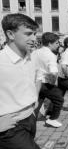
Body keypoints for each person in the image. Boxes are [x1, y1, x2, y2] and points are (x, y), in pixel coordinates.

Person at [0, 13, 40, 148]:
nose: (34, 38)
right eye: (28, 34)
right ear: (10, 34)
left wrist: (34, 102)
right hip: (10, 127)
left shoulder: (31, 56)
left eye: (35, 34)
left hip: (30, 117)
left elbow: (35, 79)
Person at [32, 32, 64, 128]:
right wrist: (53, 82)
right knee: (59, 99)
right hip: (44, 82)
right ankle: (52, 119)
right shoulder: (50, 55)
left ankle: (31, 120)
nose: (58, 45)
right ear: (50, 43)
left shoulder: (35, 52)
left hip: (35, 81)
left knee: (39, 100)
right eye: (57, 43)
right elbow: (53, 72)